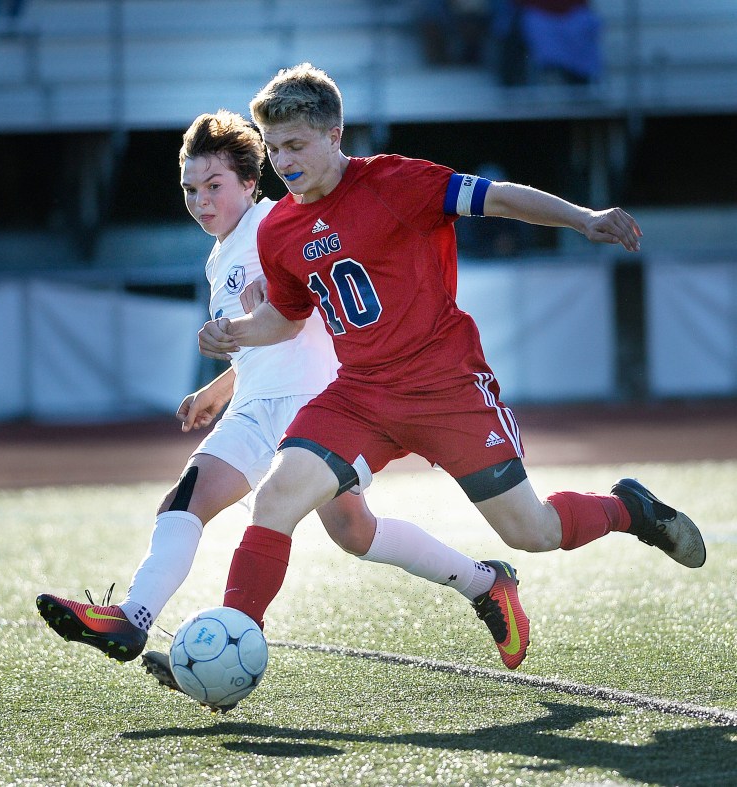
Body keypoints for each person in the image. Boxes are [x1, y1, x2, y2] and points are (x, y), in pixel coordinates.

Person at [197, 63, 706, 674]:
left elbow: (500, 199)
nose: (283, 160)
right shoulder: (279, 227)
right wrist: (235, 334)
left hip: (448, 389)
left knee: (533, 531)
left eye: (296, 145)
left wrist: (583, 218)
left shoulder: (398, 180)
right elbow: (285, 317)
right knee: (276, 498)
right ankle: (232, 640)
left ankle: (631, 511)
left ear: (335, 135)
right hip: (361, 394)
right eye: (274, 148)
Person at [36, 110, 523, 678]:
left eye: (214, 186)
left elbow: (307, 298)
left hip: (314, 409)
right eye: (190, 189)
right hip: (253, 409)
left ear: (250, 182)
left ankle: (487, 584)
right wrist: (221, 386)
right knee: (187, 501)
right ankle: (133, 618)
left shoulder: (277, 222)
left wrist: (273, 294)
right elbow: (264, 338)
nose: (201, 201)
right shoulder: (221, 252)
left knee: (353, 531)